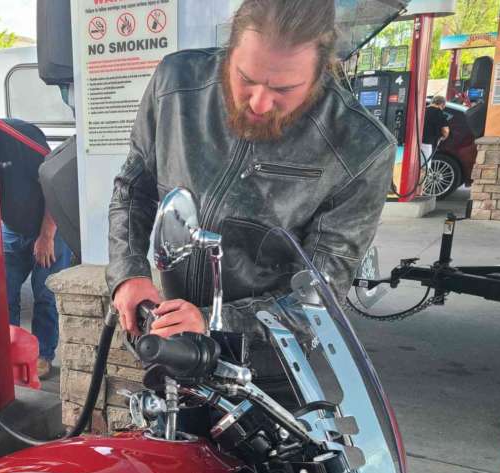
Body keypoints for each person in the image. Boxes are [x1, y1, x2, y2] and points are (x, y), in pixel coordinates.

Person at [107, 0, 396, 340]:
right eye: (245, 78)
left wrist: (215, 320)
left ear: (322, 70)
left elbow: (322, 295)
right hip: (172, 336)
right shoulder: (175, 83)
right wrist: (128, 273)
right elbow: (132, 188)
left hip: (270, 359)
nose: (259, 102)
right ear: (230, 49)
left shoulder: (360, 147)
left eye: (283, 89)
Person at [0, 118, 72, 378]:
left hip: (48, 227)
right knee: (4, 294)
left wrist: (47, 235)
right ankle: (11, 351)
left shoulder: (19, 139)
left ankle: (42, 354)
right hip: (12, 228)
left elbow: (55, 186)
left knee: (45, 295)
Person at [422, 94, 451, 164]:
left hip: (417, 141)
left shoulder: (423, 110)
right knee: (424, 166)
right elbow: (445, 130)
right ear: (442, 104)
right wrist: (443, 138)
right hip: (428, 143)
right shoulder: (439, 113)